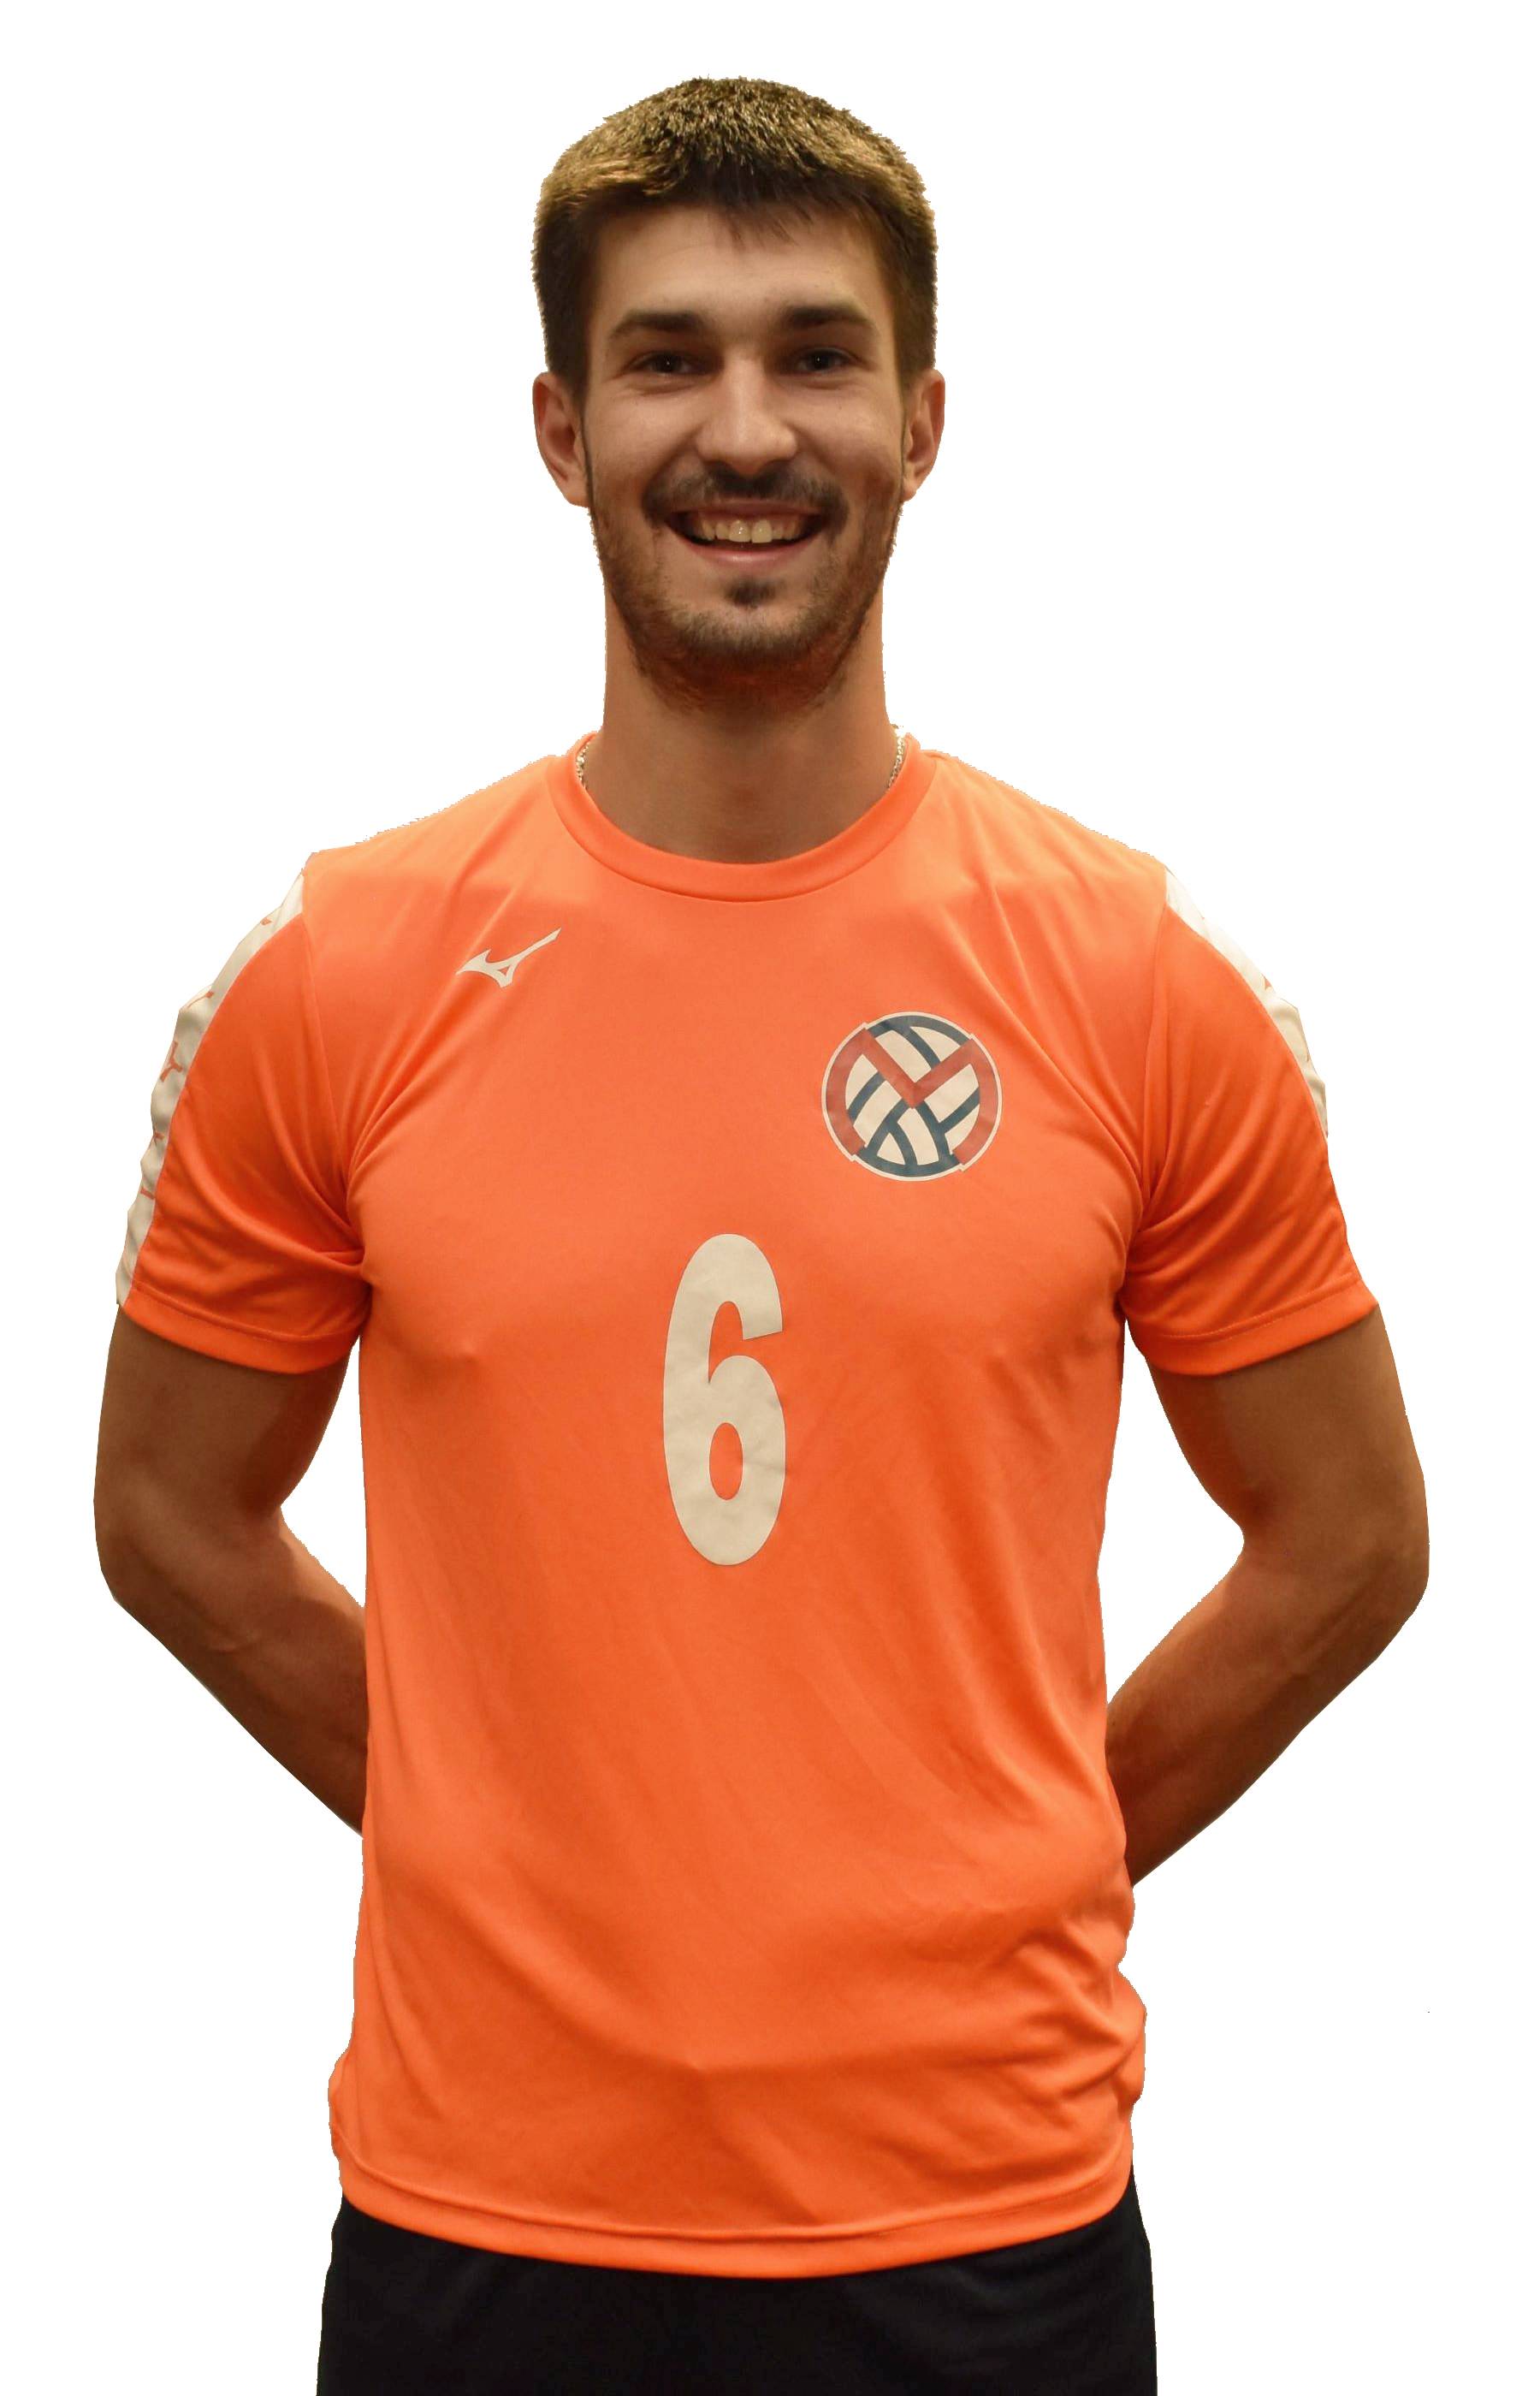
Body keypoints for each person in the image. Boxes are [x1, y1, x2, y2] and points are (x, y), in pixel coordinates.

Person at [93, 74, 1428, 2396]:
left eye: (815, 354)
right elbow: (166, 1514)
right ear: (559, 428)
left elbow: (1352, 1539)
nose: (744, 428)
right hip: (482, 2220)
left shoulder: (1134, 978)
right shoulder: (342, 974)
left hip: (983, 2220)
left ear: (924, 421)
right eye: (668, 359)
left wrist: (1021, 1860)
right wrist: (494, 1848)